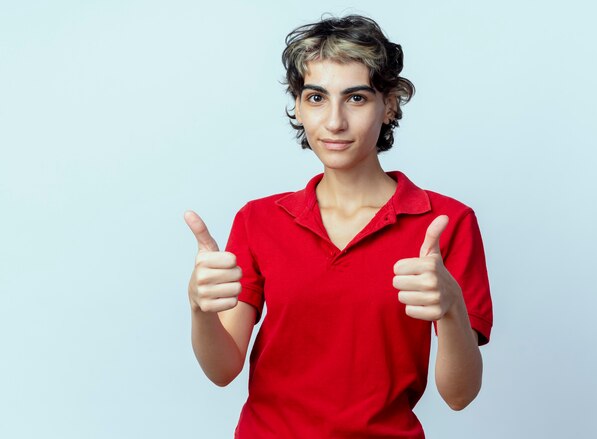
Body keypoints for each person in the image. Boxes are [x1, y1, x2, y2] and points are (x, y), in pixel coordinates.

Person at [184, 14, 493, 439]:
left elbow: (460, 395)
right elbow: (223, 370)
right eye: (316, 98)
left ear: (390, 104)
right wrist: (200, 310)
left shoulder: (445, 222)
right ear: (297, 104)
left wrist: (453, 306)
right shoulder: (258, 220)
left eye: (356, 98)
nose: (333, 122)